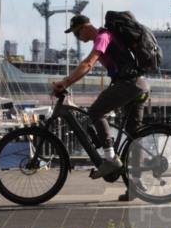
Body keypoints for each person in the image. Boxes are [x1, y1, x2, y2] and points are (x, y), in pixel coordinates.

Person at [52, 14, 150, 189]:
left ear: (84, 27)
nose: (77, 38)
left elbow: (88, 63)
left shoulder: (102, 37)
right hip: (140, 85)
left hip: (129, 84)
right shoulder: (104, 37)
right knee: (133, 134)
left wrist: (66, 82)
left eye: (75, 33)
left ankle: (110, 158)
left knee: (96, 111)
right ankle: (135, 184)